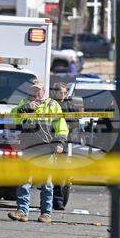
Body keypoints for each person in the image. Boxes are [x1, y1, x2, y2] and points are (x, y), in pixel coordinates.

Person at [8, 80, 68, 224]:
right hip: (28, 148)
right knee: (24, 181)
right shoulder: (25, 103)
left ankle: (46, 214)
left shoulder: (52, 105)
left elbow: (61, 127)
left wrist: (60, 143)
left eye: (38, 90)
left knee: (46, 183)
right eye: (33, 90)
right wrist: (25, 108)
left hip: (46, 149)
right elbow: (13, 118)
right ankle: (22, 212)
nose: (35, 93)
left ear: (43, 91)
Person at [50, 82, 80, 211]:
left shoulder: (69, 105)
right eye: (60, 92)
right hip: (49, 141)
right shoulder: (50, 104)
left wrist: (67, 127)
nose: (63, 95)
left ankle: (58, 201)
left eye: (64, 92)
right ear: (54, 92)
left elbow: (75, 123)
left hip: (64, 142)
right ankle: (46, 200)